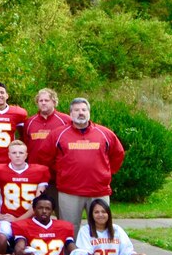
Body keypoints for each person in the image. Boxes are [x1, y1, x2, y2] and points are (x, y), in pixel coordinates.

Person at [44, 98, 126, 229]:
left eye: (84, 110)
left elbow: (118, 154)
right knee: (69, 228)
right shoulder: (58, 134)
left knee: (100, 227)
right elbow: (46, 157)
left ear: (89, 113)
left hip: (98, 190)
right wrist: (61, 172)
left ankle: (98, 250)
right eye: (76, 110)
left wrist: (105, 173)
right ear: (70, 114)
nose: (80, 113)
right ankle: (72, 251)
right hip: (69, 191)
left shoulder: (105, 134)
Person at [0, 140, 50, 250]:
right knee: (0, 239)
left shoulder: (40, 171)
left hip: (31, 218)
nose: (17, 156)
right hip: (7, 218)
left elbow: (38, 204)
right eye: (14, 153)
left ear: (26, 155)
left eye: (21, 153)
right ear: (9, 155)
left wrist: (18, 220)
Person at [24, 88, 71, 167]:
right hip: (35, 168)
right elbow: (25, 145)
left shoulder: (66, 120)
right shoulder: (29, 122)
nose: (43, 103)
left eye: (46, 100)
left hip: (57, 169)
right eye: (41, 101)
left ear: (54, 102)